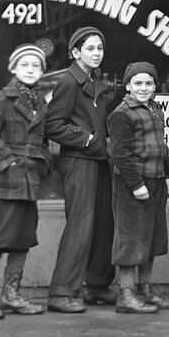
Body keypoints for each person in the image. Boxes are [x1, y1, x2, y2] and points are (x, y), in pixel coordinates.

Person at [0, 42, 52, 319]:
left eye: (36, 66)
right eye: (25, 65)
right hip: (7, 182)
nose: (30, 70)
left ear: (42, 71)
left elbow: (43, 140)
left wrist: (42, 162)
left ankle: (11, 293)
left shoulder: (40, 102)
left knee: (23, 238)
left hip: (30, 182)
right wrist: (10, 163)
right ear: (13, 69)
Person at [45, 26, 115, 313]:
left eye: (99, 48)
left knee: (102, 224)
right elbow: (53, 125)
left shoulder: (94, 81)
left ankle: (97, 285)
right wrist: (86, 138)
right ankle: (61, 292)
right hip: (78, 161)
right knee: (80, 226)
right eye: (90, 48)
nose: (97, 53)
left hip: (98, 160)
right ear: (75, 52)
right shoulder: (69, 82)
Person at [106, 61, 169, 314]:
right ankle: (126, 294)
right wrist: (136, 184)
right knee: (130, 239)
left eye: (148, 83)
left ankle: (146, 289)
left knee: (151, 236)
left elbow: (160, 147)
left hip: (156, 180)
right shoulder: (121, 114)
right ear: (128, 86)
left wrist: (166, 175)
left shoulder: (155, 109)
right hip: (132, 184)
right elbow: (120, 154)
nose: (143, 88)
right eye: (138, 83)